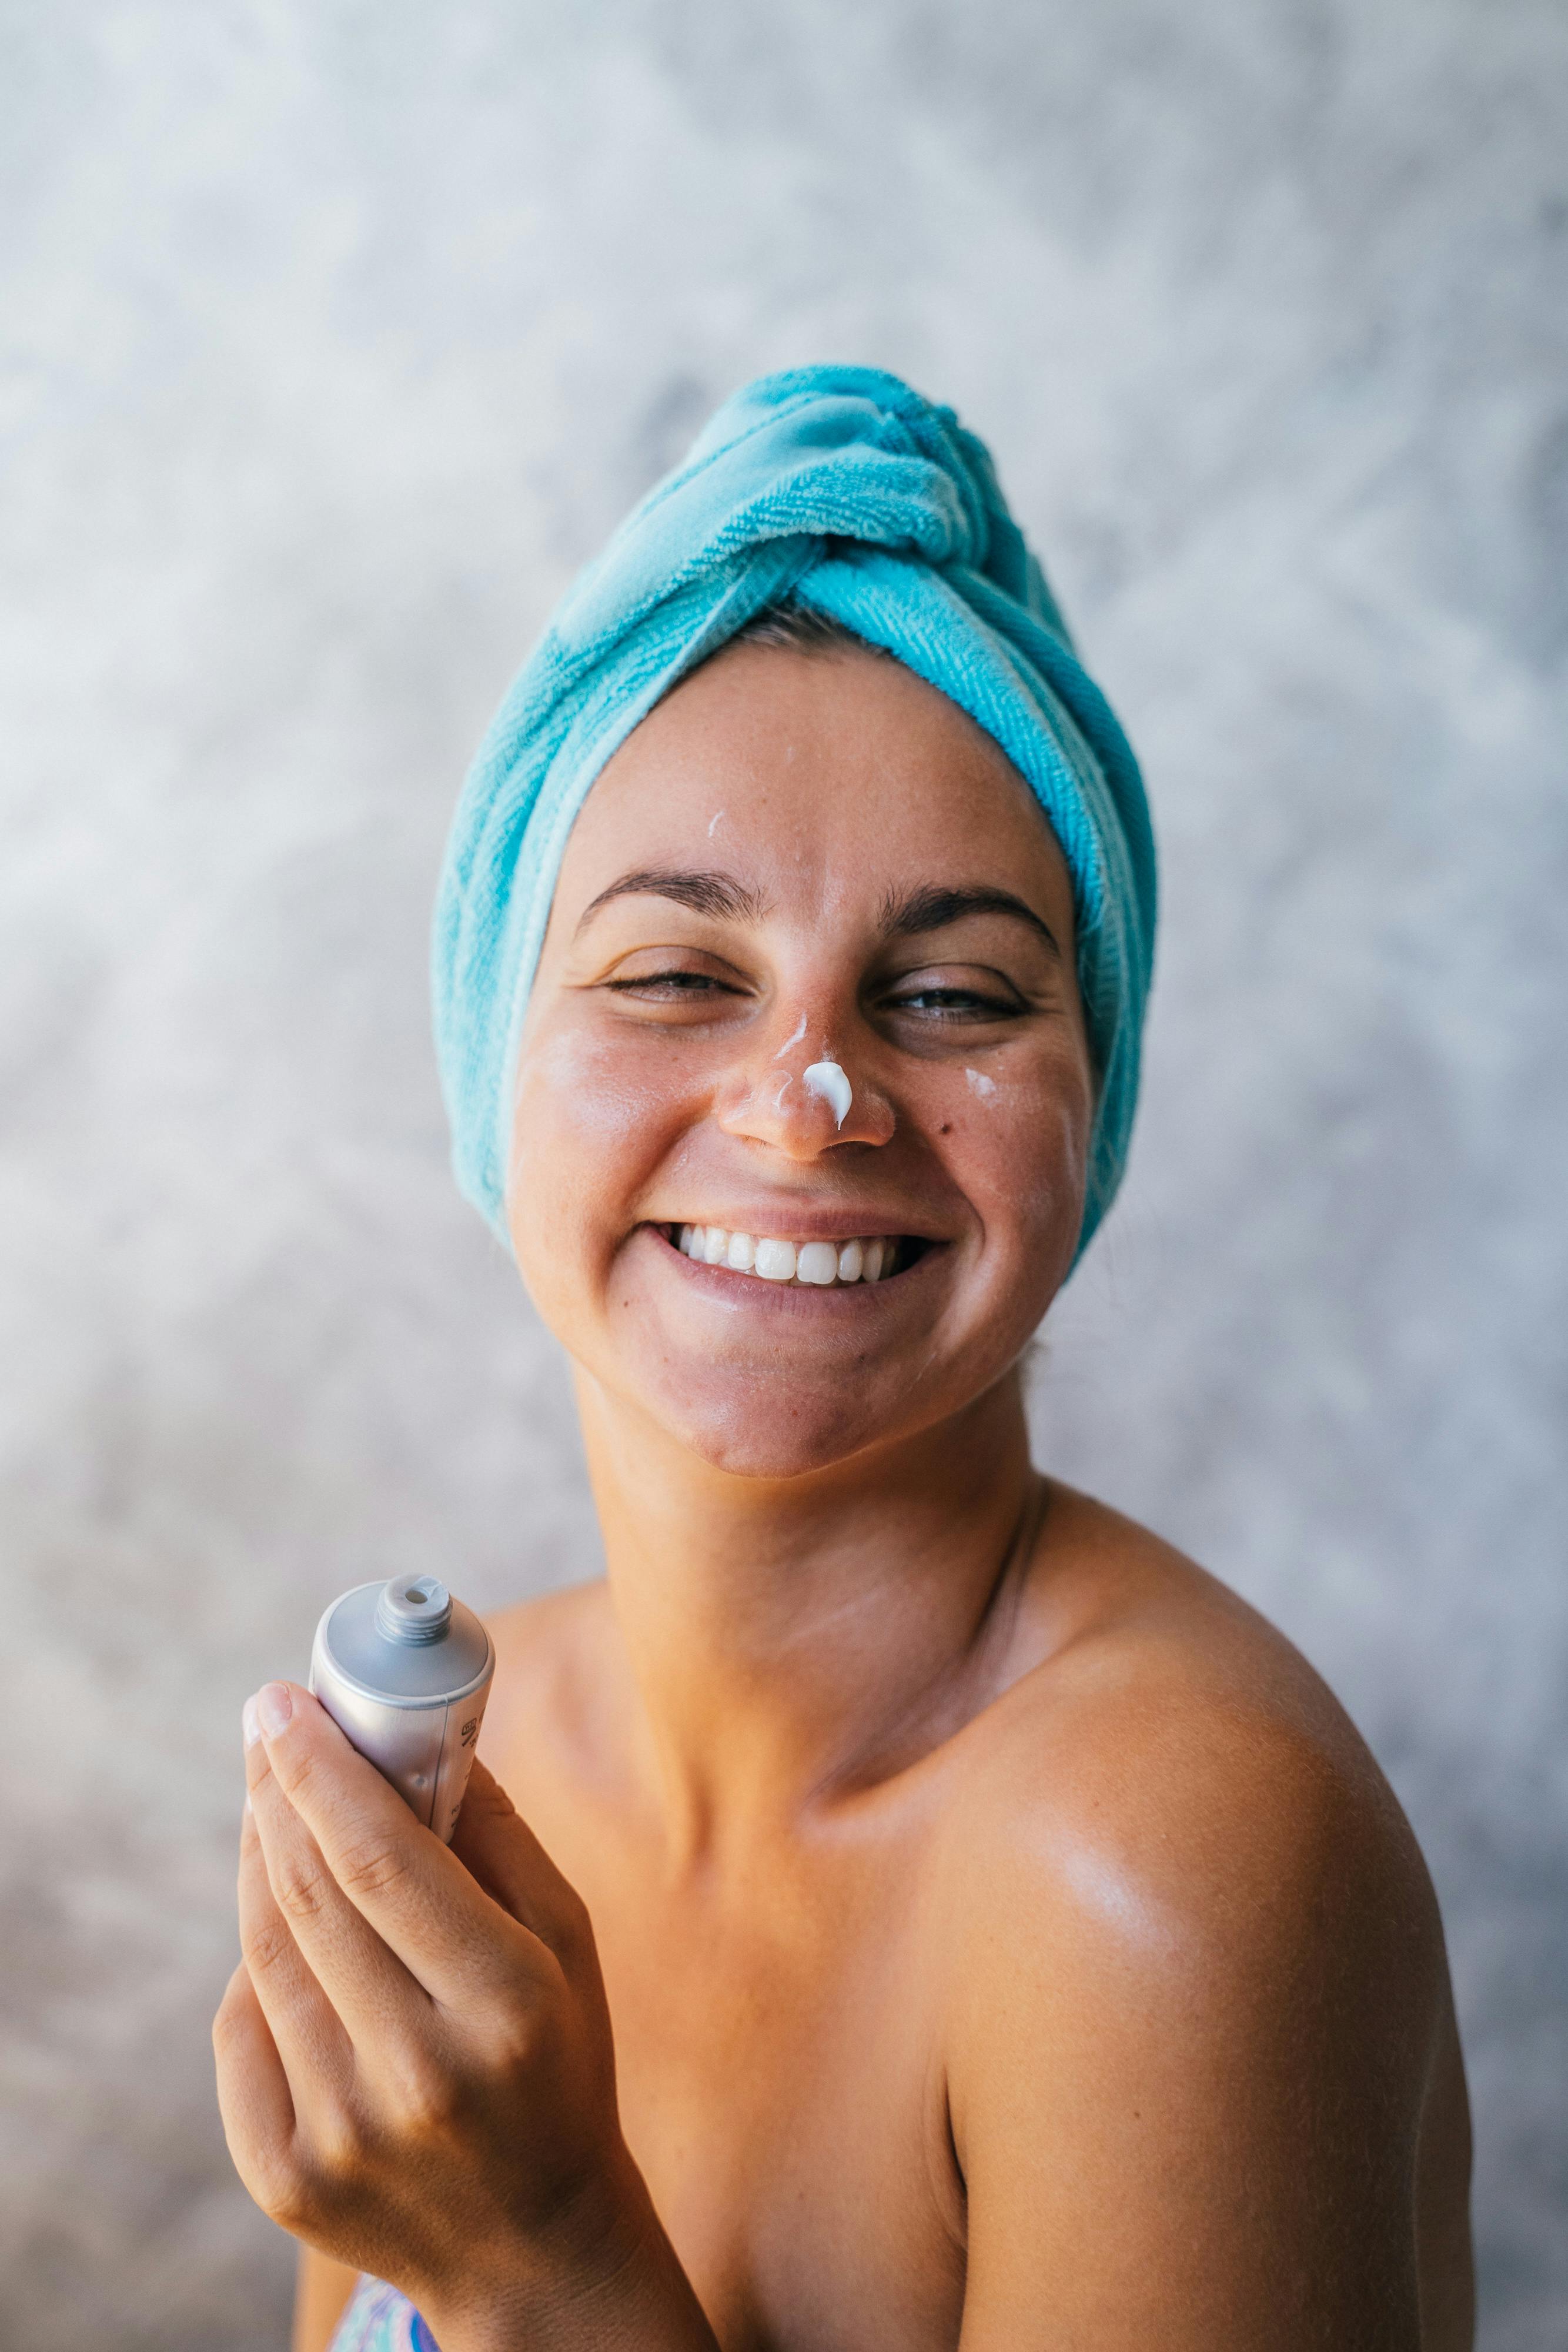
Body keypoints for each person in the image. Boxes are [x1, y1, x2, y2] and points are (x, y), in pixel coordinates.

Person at [214, 369, 1474, 2352]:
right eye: (674, 975)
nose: (806, 1107)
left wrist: (540, 2263)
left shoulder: (1173, 1861)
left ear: (1093, 1105)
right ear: (487, 1061)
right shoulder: (467, 1754)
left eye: (954, 992)